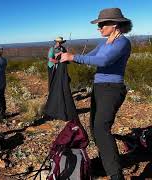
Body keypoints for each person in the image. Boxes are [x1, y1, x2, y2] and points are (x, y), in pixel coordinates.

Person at [60, 8, 132, 180]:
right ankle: (105, 162)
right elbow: (88, 57)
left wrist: (73, 57)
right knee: (95, 128)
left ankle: (115, 174)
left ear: (114, 24)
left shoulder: (122, 42)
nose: (98, 27)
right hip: (100, 88)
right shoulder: (105, 42)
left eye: (101, 24)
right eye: (98, 25)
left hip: (112, 89)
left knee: (101, 128)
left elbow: (103, 60)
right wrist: (65, 57)